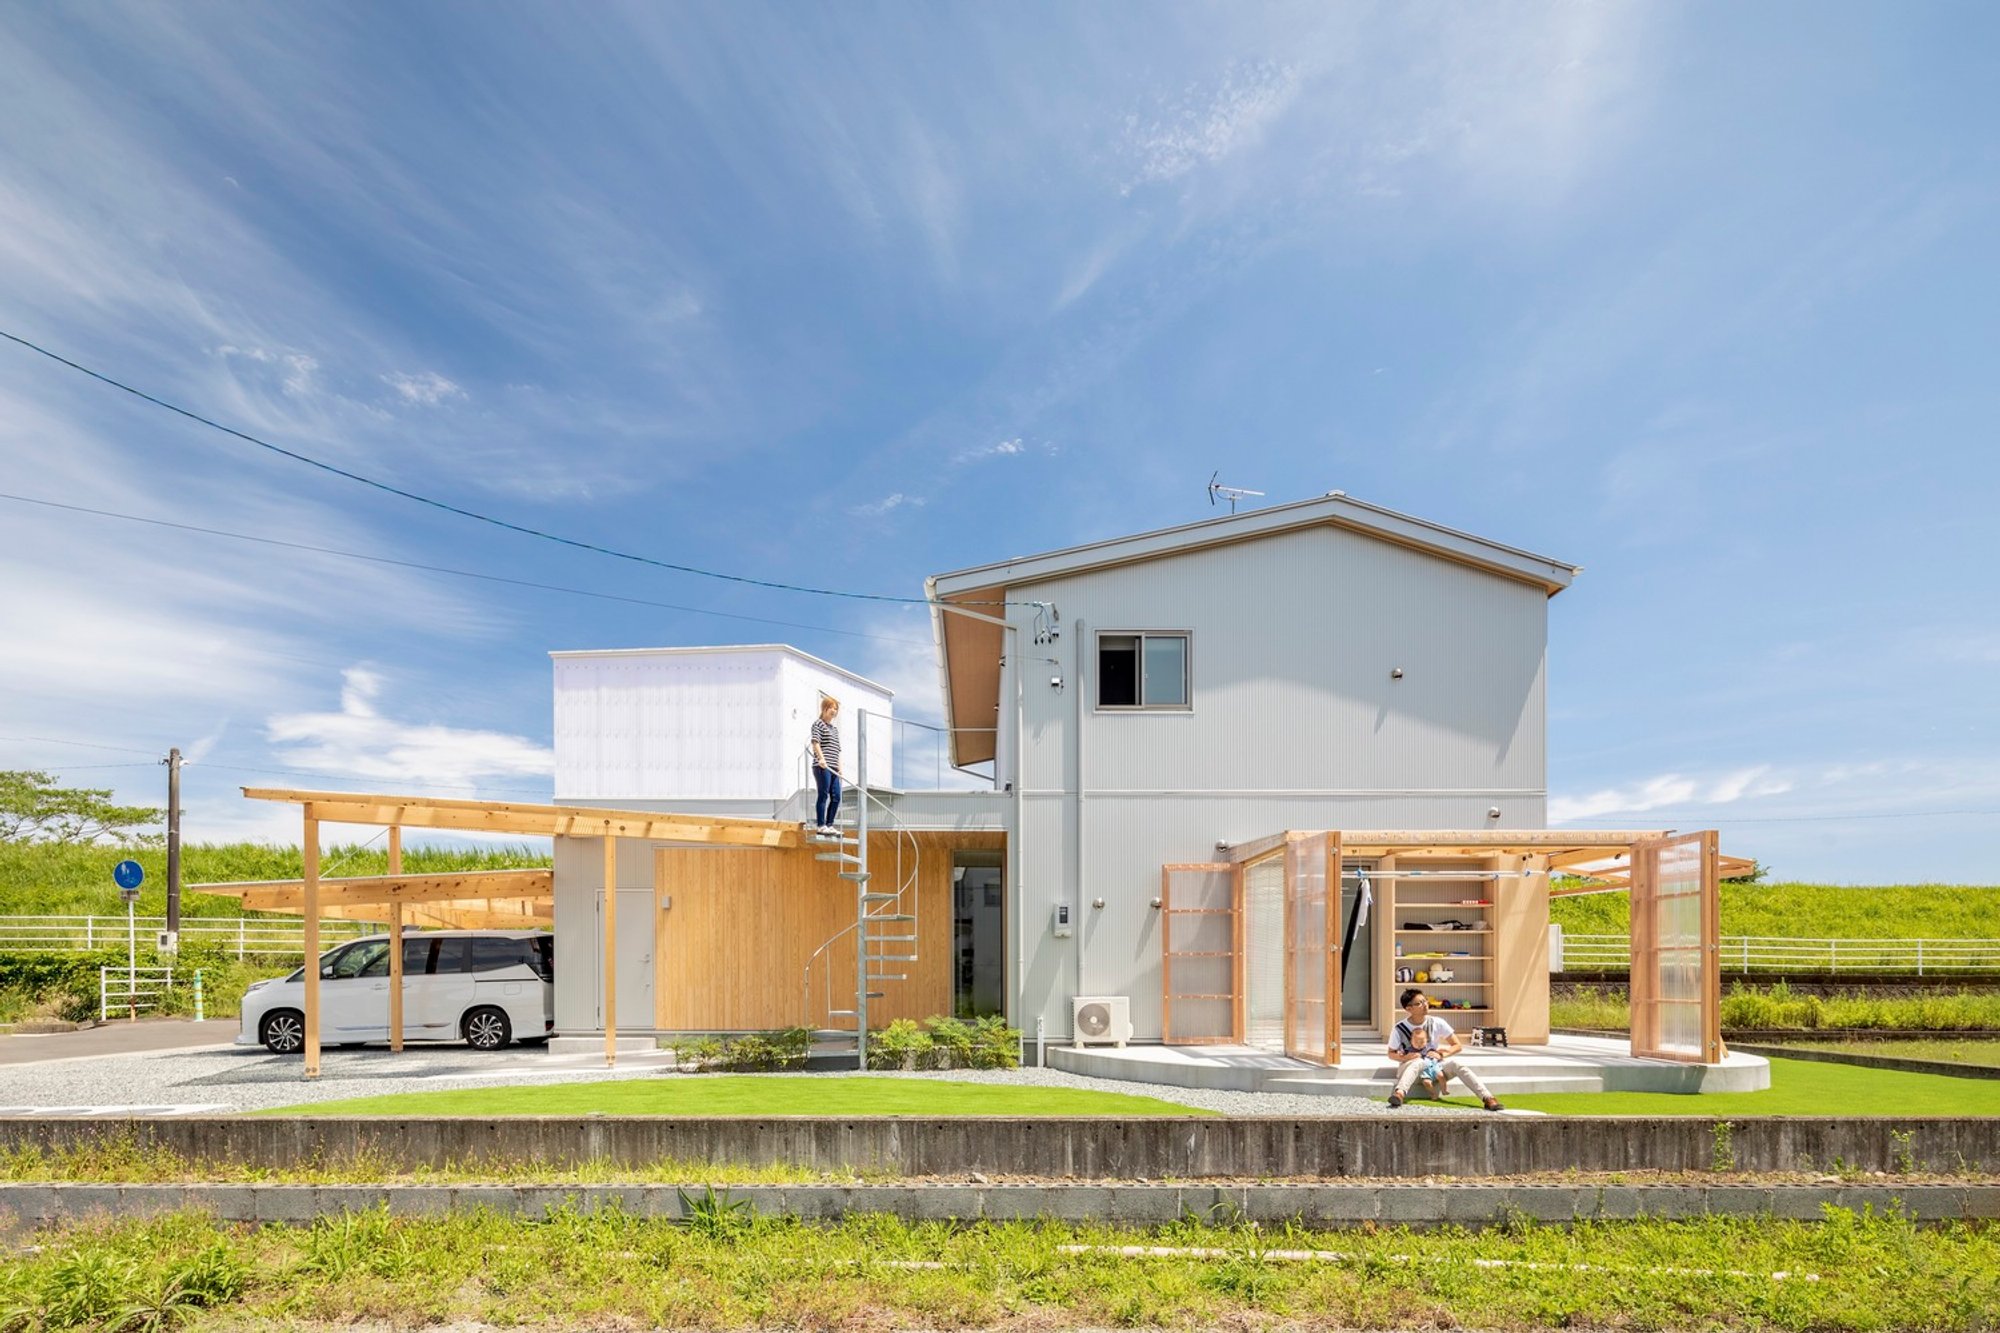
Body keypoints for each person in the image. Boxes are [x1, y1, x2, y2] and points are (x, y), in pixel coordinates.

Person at [1386, 988, 1504, 1111]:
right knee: (1419, 1062)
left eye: (1425, 1000)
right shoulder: (1399, 1028)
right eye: (1419, 1003)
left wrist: (1443, 1055)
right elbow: (1390, 1053)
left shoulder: (1437, 1022)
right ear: (1408, 1009)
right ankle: (1399, 1094)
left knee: (1457, 1064)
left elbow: (1457, 1045)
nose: (1425, 1004)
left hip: (1434, 1070)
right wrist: (1405, 1057)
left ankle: (1488, 1098)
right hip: (1411, 1070)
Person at [809, 695, 843, 837]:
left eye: (836, 709)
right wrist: (821, 759)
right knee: (823, 794)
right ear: (824, 708)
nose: (834, 711)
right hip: (822, 766)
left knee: (836, 797)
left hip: (834, 768)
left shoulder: (835, 729)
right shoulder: (818, 724)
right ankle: (821, 825)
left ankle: (830, 824)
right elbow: (815, 742)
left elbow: (837, 749)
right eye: (831, 708)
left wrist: (840, 767)